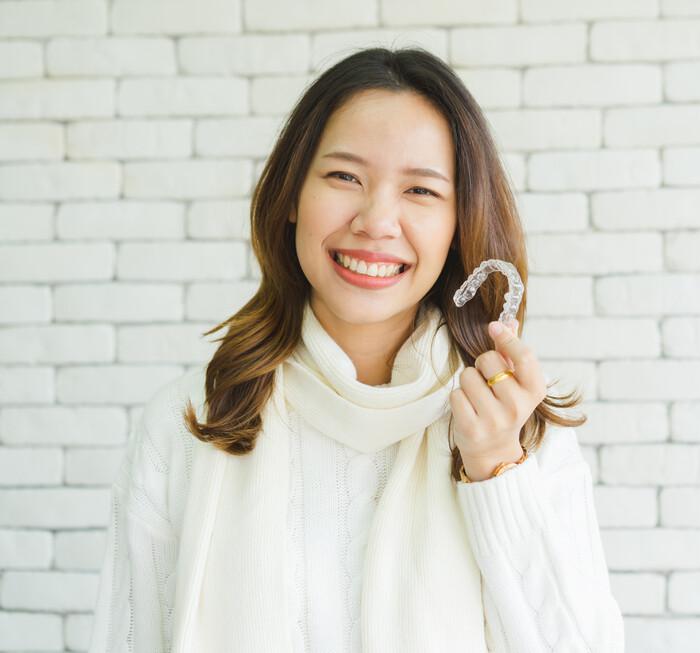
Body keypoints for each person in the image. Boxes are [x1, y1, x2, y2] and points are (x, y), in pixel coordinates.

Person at [88, 46, 625, 653]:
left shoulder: (521, 428)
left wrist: (496, 469)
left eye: (421, 191)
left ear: (457, 223)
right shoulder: (190, 423)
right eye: (345, 177)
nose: (376, 220)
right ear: (291, 196)